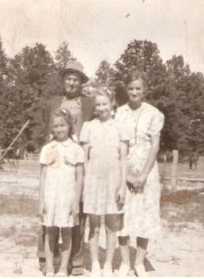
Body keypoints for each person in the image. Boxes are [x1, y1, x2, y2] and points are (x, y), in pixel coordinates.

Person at [38, 60, 95, 276]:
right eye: (68, 78)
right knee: (49, 209)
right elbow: (47, 130)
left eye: (76, 79)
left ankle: (75, 260)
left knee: (76, 210)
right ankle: (46, 259)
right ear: (64, 81)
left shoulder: (88, 104)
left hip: (79, 159)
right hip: (55, 159)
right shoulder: (54, 102)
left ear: (81, 82)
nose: (71, 82)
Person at [115, 72, 165, 277]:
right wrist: (124, 175)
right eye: (131, 88)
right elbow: (118, 146)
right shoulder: (118, 113)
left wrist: (144, 174)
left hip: (148, 172)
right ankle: (125, 262)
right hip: (123, 171)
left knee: (146, 216)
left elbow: (155, 146)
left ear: (144, 90)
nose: (134, 92)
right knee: (122, 215)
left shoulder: (154, 114)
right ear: (126, 90)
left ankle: (139, 263)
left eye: (138, 88)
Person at [79, 87, 128, 277]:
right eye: (98, 104)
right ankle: (95, 264)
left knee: (111, 224)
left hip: (113, 180)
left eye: (104, 104)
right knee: (94, 225)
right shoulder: (89, 127)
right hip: (93, 179)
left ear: (112, 104)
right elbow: (84, 159)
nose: (101, 108)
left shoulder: (119, 127)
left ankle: (108, 263)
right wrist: (83, 184)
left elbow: (123, 159)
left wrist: (122, 186)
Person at [38, 109, 85, 276]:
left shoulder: (76, 149)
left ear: (69, 126)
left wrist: (76, 202)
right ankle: (50, 267)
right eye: (56, 126)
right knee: (50, 232)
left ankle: (64, 268)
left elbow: (80, 178)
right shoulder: (47, 148)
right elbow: (43, 177)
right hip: (51, 196)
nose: (59, 129)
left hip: (68, 197)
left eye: (62, 125)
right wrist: (41, 201)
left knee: (66, 232)